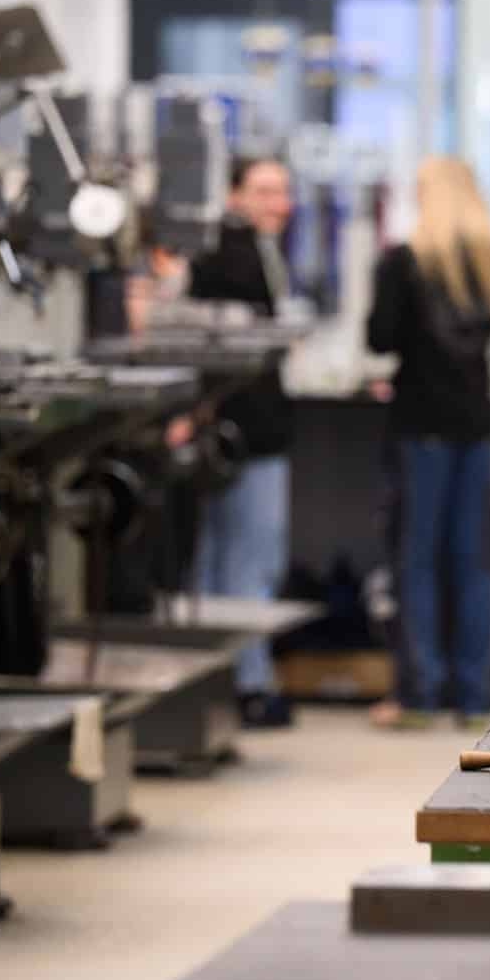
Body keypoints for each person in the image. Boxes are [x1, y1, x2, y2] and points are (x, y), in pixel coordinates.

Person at [366, 157, 490, 728]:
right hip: (476, 427)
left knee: (418, 560)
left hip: (420, 426)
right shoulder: (487, 263)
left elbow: (379, 337)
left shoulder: (404, 261)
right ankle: (474, 695)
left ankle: (421, 694)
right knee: (474, 562)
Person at [188, 155, 297, 728]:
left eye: (282, 192)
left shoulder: (259, 249)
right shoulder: (231, 252)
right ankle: (249, 684)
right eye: (262, 190)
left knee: (226, 560)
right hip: (244, 431)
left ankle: (217, 683)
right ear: (233, 194)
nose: (276, 203)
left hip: (242, 428)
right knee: (249, 562)